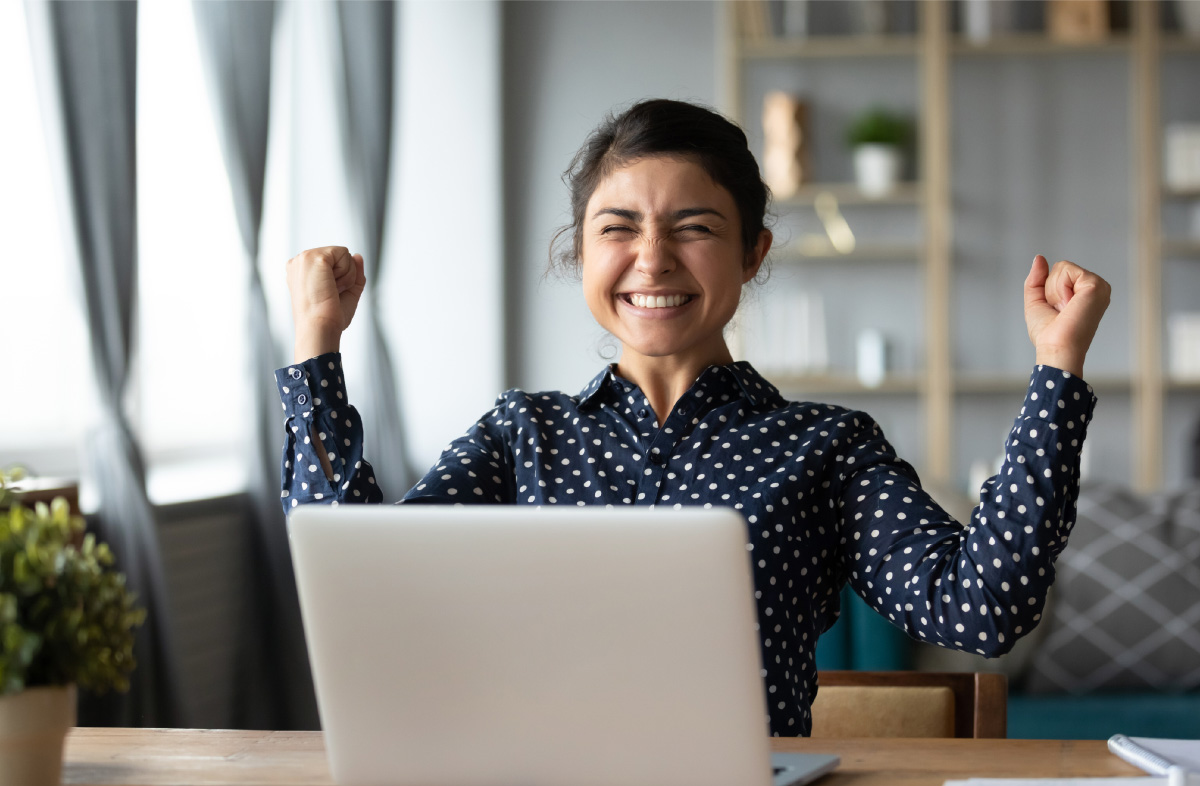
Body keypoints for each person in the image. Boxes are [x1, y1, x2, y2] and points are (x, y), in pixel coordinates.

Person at [275, 99, 1111, 736]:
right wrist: (317, 347)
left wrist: (1056, 370)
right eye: (619, 228)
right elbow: (365, 588)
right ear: (582, 251)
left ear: (753, 251)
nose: (653, 258)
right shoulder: (519, 436)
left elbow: (983, 607)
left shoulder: (827, 446)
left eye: (694, 227)